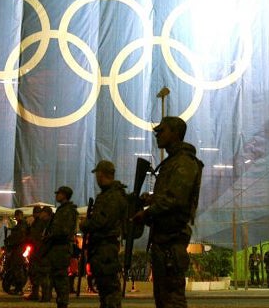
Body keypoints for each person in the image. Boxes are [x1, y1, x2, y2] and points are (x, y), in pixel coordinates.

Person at [135, 116, 203, 308]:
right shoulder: (173, 162)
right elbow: (170, 196)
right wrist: (151, 199)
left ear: (175, 133)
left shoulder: (183, 162)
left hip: (171, 241)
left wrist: (147, 213)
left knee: (172, 300)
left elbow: (175, 199)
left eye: (161, 131)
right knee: (164, 299)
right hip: (163, 240)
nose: (157, 135)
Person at [79, 160, 127, 308]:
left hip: (105, 247)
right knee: (104, 289)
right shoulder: (108, 194)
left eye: (98, 174)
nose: (97, 178)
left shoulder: (112, 196)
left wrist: (85, 224)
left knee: (109, 288)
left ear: (102, 174)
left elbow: (102, 221)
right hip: (101, 247)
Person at [40, 187, 78, 308]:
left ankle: (63, 302)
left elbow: (64, 231)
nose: (57, 195)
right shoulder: (62, 210)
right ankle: (61, 301)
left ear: (65, 195)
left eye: (59, 194)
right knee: (57, 276)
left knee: (61, 277)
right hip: (56, 248)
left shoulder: (67, 210)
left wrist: (51, 236)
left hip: (61, 247)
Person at [3, 209, 28, 295]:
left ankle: (19, 288)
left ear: (20, 215)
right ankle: (18, 288)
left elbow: (18, 238)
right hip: (17, 249)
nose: (16, 217)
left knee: (17, 268)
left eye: (17, 215)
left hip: (19, 249)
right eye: (16, 216)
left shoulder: (22, 225)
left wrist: (10, 243)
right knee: (15, 268)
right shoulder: (20, 225)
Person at [24, 205, 46, 300]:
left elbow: (35, 236)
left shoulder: (40, 222)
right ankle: (36, 293)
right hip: (36, 250)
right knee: (34, 272)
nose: (35, 214)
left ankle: (37, 293)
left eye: (36, 212)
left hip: (37, 250)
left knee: (36, 272)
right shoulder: (37, 222)